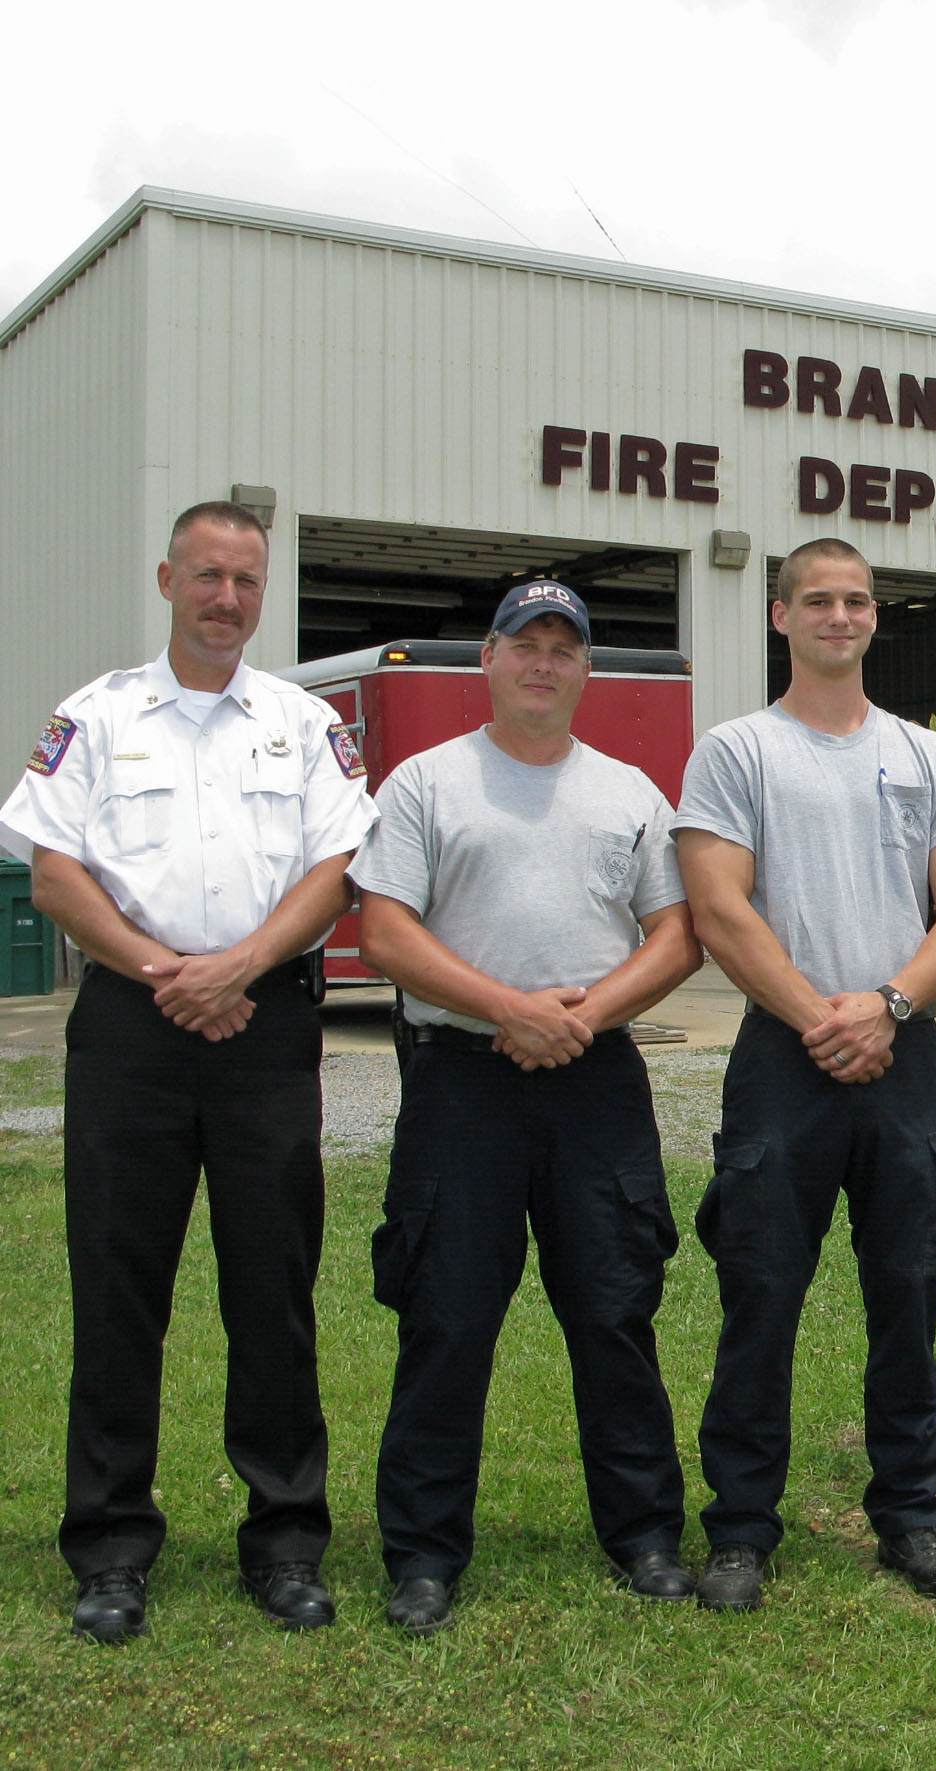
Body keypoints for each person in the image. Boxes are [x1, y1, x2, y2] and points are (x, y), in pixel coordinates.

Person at [0, 501, 375, 1643]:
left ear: (264, 592)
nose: (225, 598)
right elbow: (56, 875)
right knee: (120, 1292)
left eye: (245, 581)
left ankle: (286, 1540)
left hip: (262, 1027)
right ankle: (110, 1548)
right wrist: (171, 972)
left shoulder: (303, 724)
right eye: (206, 576)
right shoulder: (96, 716)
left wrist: (241, 968)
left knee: (274, 1287)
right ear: (166, 577)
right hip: (132, 1029)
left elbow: (339, 865)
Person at [350, 581, 704, 1635]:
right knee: (446, 1316)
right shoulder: (425, 783)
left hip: (594, 1081)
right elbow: (384, 932)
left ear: (585, 670)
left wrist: (582, 1017)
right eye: (524, 644)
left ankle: (642, 1533)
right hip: (462, 1078)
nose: (543, 663)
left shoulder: (630, 791)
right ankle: (421, 1555)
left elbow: (675, 936)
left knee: (612, 1311)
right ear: (490, 662)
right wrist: (511, 1008)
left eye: (564, 648)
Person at [676, 537, 936, 1611]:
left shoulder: (929, 757)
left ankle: (913, 1516)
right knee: (760, 1293)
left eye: (856, 600)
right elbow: (721, 906)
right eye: (816, 600)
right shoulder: (736, 752)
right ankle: (738, 1530)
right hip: (786, 1052)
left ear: (874, 618)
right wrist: (822, 1015)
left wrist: (889, 1006)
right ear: (780, 618)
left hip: (900, 1048)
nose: (839, 615)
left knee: (908, 1291)